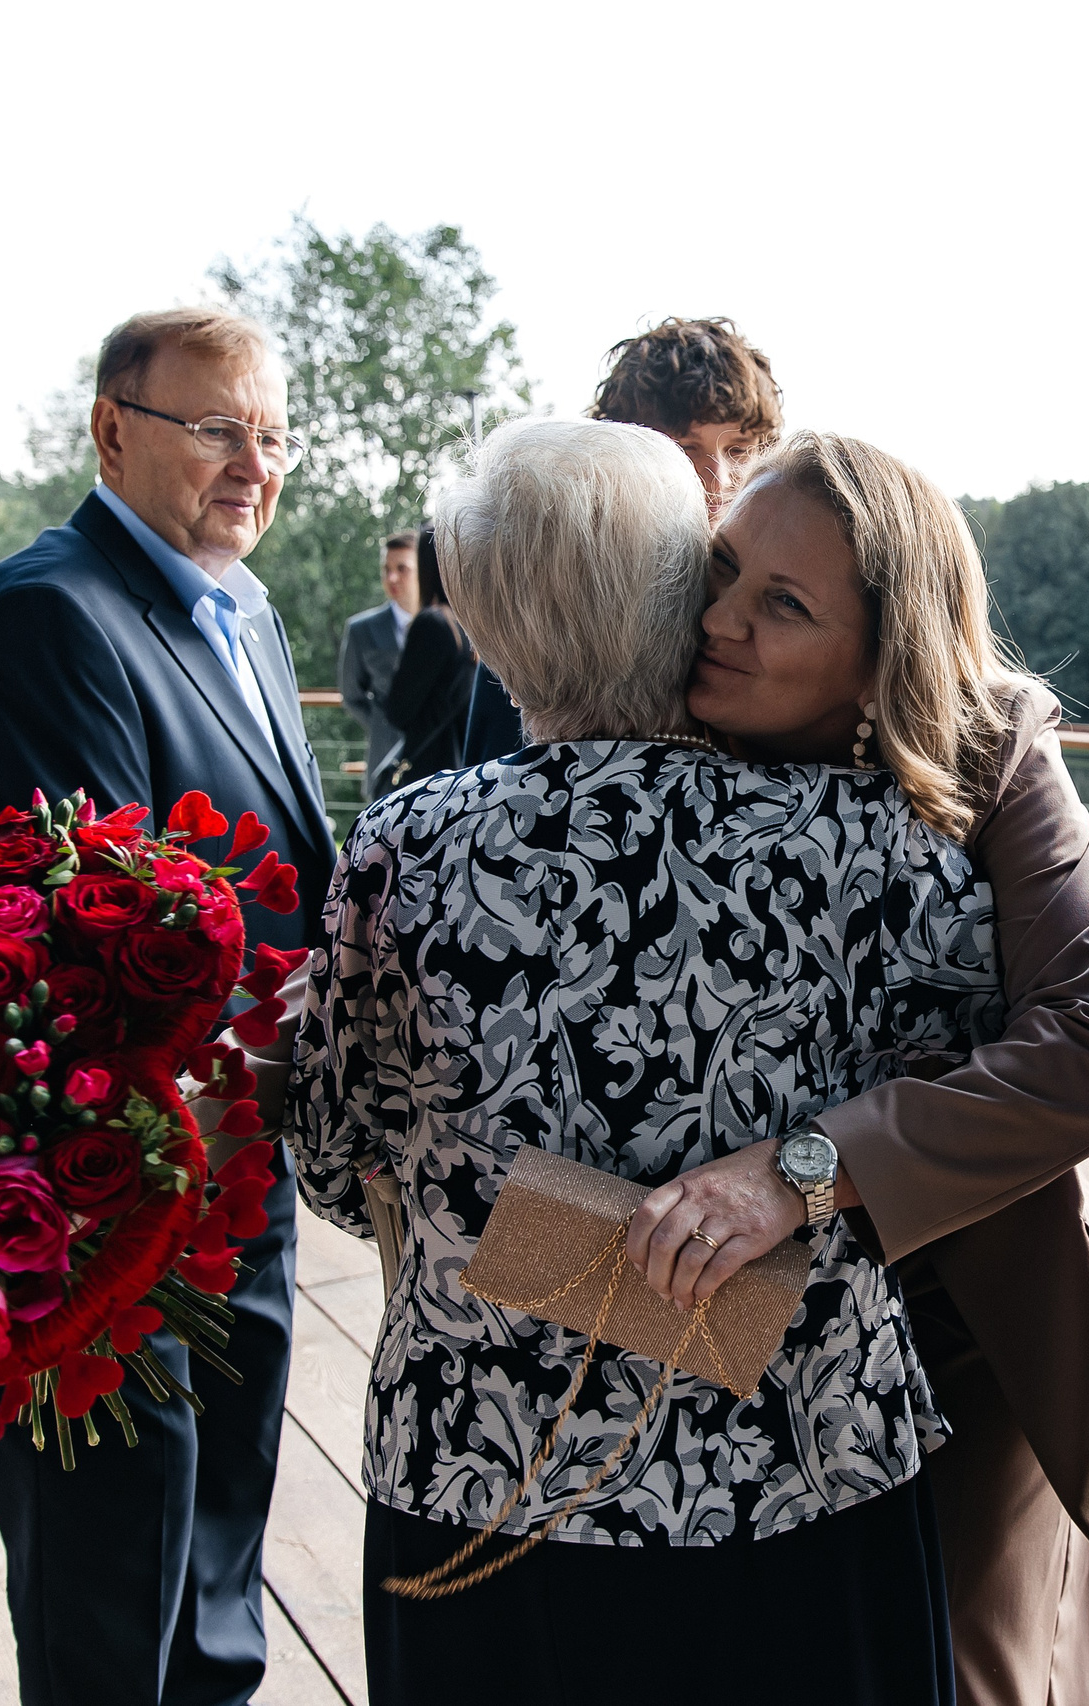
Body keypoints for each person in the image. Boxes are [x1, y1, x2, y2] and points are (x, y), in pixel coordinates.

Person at [289, 417, 996, 1706]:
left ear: (489, 627)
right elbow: (955, 1122)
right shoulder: (877, 846)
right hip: (805, 1464)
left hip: (485, 1472)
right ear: (679, 592)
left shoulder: (408, 851)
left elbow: (338, 1169)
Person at [632, 429, 1089, 1706]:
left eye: (782, 604)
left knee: (968, 1663)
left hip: (969, 1311)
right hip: (728, 1335)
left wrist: (802, 1169)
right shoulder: (656, 717)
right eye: (720, 571)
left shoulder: (992, 748)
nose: (719, 620)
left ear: (885, 654)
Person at [0, 304, 333, 1706]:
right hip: (108, 1208)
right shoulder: (49, 615)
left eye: (273, 434)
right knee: (110, 1602)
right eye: (217, 425)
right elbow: (99, 935)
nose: (254, 461)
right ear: (114, 428)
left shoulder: (247, 613)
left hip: (241, 1189)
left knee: (218, 1579)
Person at [460, 317, 783, 769]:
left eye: (740, 448)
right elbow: (494, 796)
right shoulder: (550, 612)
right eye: (684, 448)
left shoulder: (788, 614)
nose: (720, 480)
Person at [367, 525, 476, 793]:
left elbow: (399, 710)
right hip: (466, 766)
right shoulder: (469, 623)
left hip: (430, 773)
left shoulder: (432, 623)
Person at [338, 530, 419, 797]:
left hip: (439, 756)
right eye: (386, 569)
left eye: (402, 569)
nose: (391, 577)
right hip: (384, 759)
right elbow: (351, 694)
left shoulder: (449, 627)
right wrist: (381, 724)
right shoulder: (361, 629)